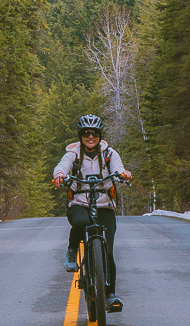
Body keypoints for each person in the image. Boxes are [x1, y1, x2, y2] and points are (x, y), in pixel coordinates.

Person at [53, 113, 132, 313]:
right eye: (86, 133)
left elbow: (119, 168)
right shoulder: (73, 153)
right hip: (79, 202)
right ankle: (72, 249)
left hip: (104, 205)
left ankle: (110, 295)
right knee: (81, 222)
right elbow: (62, 166)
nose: (90, 137)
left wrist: (123, 174)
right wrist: (60, 175)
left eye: (94, 133)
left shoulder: (109, 153)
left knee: (107, 251)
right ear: (80, 135)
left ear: (99, 135)